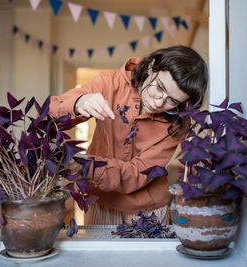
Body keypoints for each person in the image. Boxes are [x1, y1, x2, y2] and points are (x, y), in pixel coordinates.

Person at [49, 45, 208, 225]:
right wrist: (79, 102)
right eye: (159, 87)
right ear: (151, 66)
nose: (158, 102)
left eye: (172, 101)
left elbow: (136, 173)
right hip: (99, 202)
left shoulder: (177, 124)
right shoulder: (109, 83)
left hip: (150, 210)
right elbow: (50, 114)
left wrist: (86, 166)